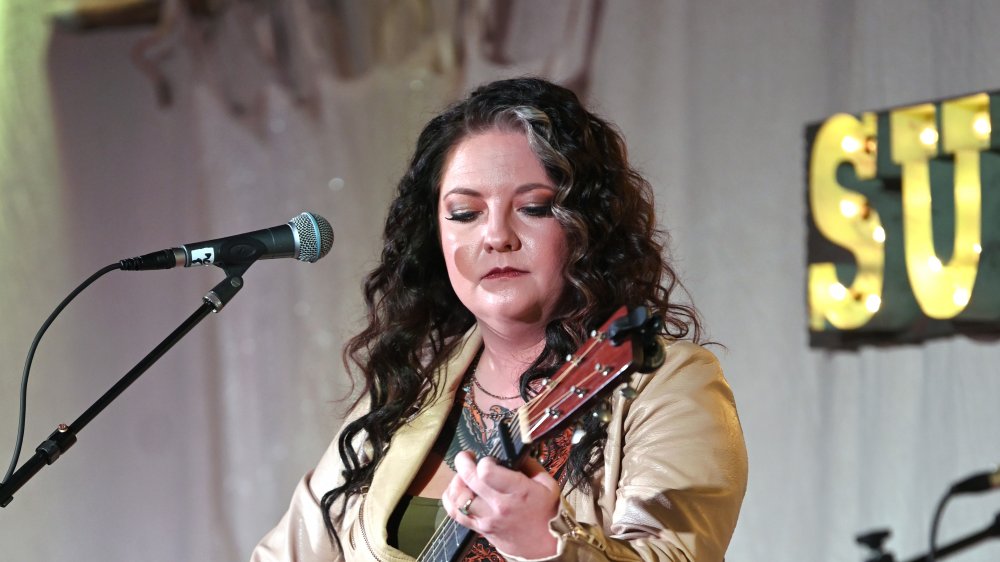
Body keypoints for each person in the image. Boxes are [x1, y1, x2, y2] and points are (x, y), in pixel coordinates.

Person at [251, 77, 747, 562]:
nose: (496, 236)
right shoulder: (405, 395)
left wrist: (548, 546)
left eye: (534, 207)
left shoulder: (667, 383)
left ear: (589, 227)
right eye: (464, 213)